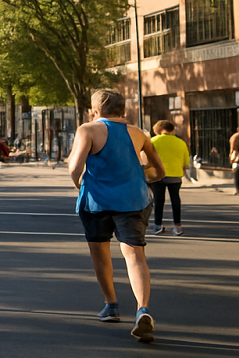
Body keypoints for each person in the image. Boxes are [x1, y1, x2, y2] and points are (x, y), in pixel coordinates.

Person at [68, 89, 165, 344]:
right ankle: (142, 309)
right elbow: (159, 170)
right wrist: (142, 179)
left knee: (100, 254)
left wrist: (82, 186)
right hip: (133, 200)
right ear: (124, 109)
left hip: (96, 202)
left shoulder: (88, 130)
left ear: (95, 110)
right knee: (135, 256)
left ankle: (111, 305)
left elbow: (75, 167)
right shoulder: (139, 133)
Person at [150, 120, 188, 236]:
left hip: (158, 175)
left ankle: (157, 225)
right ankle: (177, 226)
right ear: (172, 130)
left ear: (158, 130)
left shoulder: (153, 141)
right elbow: (186, 161)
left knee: (158, 200)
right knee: (175, 200)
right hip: (175, 175)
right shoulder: (180, 142)